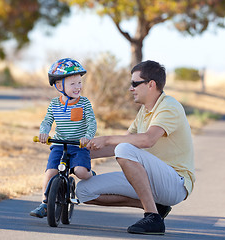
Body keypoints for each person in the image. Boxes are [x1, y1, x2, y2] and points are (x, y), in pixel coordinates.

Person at [77, 60, 195, 235]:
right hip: (148, 177)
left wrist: (107, 138)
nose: (131, 88)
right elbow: (120, 144)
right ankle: (157, 208)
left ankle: (153, 217)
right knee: (84, 191)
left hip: (175, 183)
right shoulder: (144, 111)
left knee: (124, 149)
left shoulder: (169, 106)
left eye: (135, 83)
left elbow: (147, 140)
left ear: (151, 85)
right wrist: (79, 153)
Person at [30, 58, 97, 218]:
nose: (78, 87)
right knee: (50, 172)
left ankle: (90, 174)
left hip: (78, 145)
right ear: (59, 86)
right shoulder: (54, 104)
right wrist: (44, 133)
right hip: (59, 145)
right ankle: (45, 204)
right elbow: (47, 121)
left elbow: (92, 122)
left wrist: (87, 137)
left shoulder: (84, 103)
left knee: (81, 172)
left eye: (79, 83)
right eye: (73, 84)